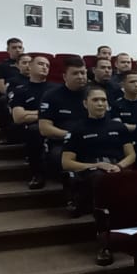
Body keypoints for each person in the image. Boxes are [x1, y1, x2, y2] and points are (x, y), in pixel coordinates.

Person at [62, 84, 136, 264]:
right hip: (92, 172)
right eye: (95, 100)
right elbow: (66, 162)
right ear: (85, 103)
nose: (100, 103)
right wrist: (96, 165)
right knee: (100, 180)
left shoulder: (118, 127)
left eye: (103, 100)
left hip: (117, 169)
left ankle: (132, 238)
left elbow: (132, 155)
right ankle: (105, 244)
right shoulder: (77, 129)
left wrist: (118, 166)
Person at [38, 57, 89, 191]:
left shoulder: (93, 94)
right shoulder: (51, 95)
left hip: (92, 139)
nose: (80, 76)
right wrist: (72, 135)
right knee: (59, 157)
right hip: (62, 142)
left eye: (83, 73)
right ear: (65, 76)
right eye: (75, 73)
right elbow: (45, 128)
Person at [11, 54, 54, 189]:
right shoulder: (20, 90)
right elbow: (18, 117)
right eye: (41, 64)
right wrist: (44, 114)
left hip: (56, 124)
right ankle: (37, 174)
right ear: (30, 66)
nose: (45, 67)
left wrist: (31, 113)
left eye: (47, 65)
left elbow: (59, 113)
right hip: (33, 127)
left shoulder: (56, 89)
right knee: (34, 130)